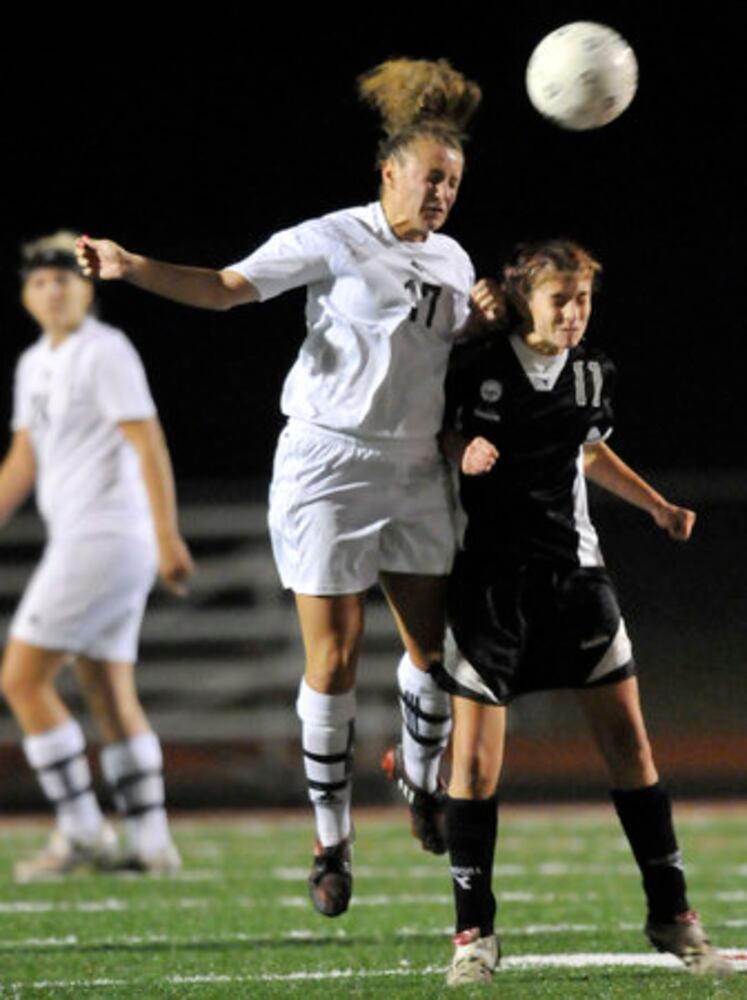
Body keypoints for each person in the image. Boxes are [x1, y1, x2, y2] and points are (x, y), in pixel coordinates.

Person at [74, 59, 503, 916]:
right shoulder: (333, 237)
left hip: (414, 466)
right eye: (429, 178)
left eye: (452, 181)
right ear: (389, 173)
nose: (442, 193)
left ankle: (419, 781)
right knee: (334, 657)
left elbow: (434, 351)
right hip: (328, 467)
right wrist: (131, 266)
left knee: (436, 655)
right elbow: (228, 289)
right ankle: (331, 842)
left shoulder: (454, 260)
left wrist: (481, 325)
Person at [434, 239, 732, 984]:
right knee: (471, 765)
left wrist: (657, 505)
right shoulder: (473, 364)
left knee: (630, 747)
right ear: (524, 301)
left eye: (583, 299)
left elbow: (590, 451)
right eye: (559, 299)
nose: (572, 313)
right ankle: (474, 935)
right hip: (491, 586)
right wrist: (459, 447)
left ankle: (672, 916)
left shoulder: (594, 371)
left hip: (575, 579)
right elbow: (431, 432)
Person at [0, 231, 194, 879]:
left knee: (20, 680)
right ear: (27, 295)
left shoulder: (104, 350)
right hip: (95, 539)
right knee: (108, 692)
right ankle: (150, 842)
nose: (53, 291)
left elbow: (148, 443)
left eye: (64, 279)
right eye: (40, 282)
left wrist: (167, 536)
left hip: (106, 536)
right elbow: (23, 460)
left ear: (87, 287)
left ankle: (83, 832)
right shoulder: (34, 363)